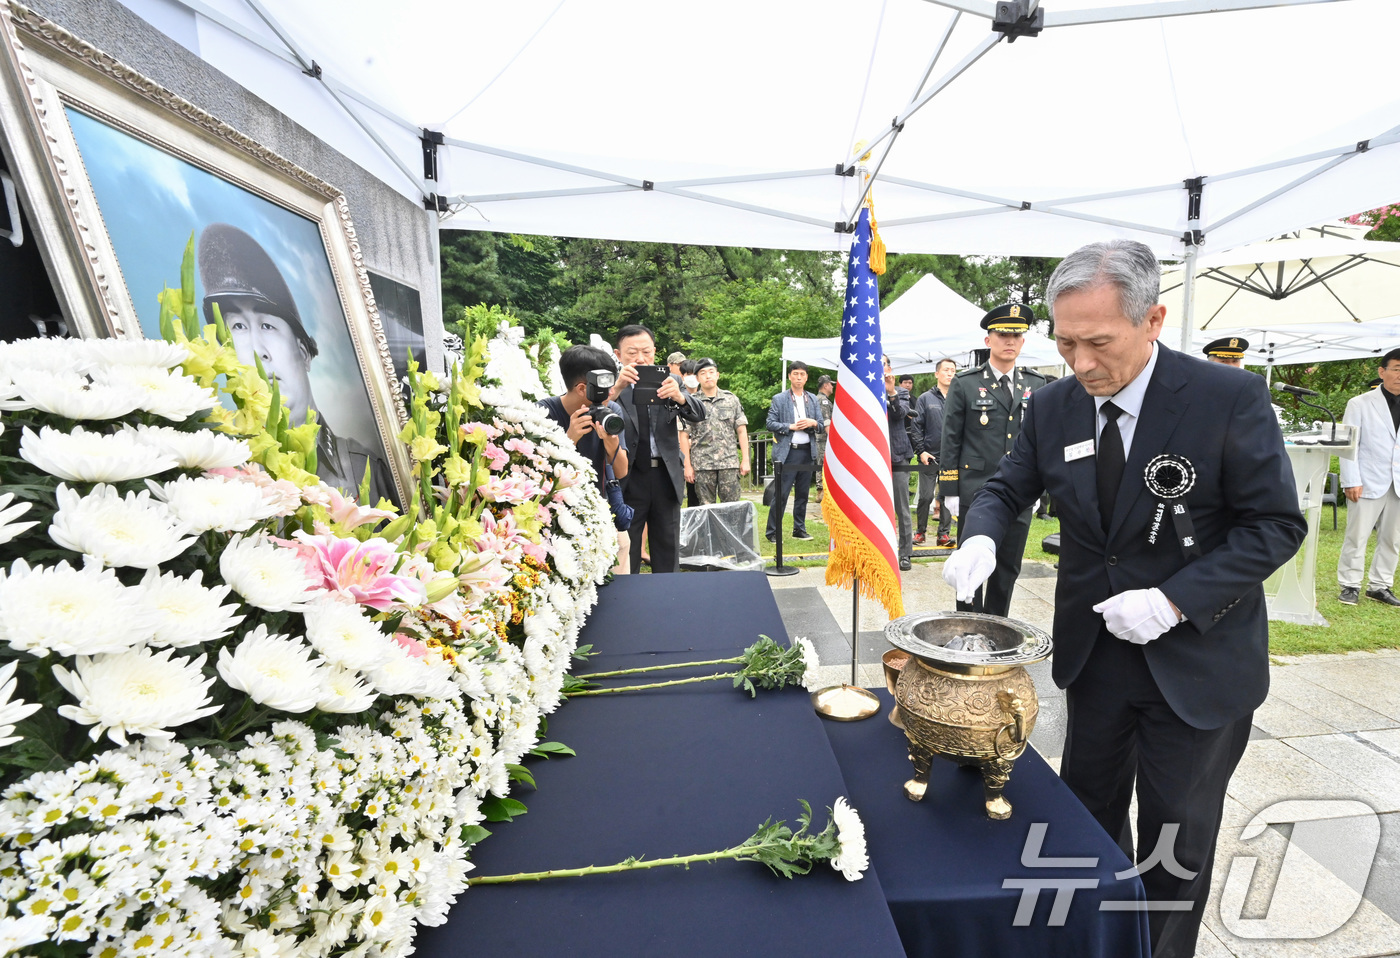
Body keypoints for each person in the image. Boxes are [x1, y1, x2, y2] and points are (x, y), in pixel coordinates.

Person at [944, 240, 1306, 958]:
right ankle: (1093, 945)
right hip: (1100, 656)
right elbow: (1007, 488)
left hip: (1198, 663)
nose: (1080, 363)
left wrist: (1172, 601)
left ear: (1153, 320)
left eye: (1098, 343)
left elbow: (1275, 525)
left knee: (1174, 839)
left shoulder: (1226, 398)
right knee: (1086, 822)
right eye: (1066, 340)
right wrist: (980, 536)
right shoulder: (1053, 406)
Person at [199, 223, 396, 505]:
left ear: (303, 352)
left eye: (267, 325)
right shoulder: (220, 478)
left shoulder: (365, 467)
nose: (258, 351)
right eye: (239, 327)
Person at [938, 304, 1049, 615]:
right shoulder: (966, 382)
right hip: (975, 489)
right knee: (969, 568)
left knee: (1007, 568)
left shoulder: (1035, 384)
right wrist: (949, 490)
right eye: (1002, 334)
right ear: (988, 341)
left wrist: (1039, 490)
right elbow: (951, 438)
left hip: (1020, 492)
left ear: (1023, 342)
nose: (1009, 341)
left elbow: (1040, 441)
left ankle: (997, 629)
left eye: (1016, 335)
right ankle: (966, 626)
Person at [608, 326, 705, 573]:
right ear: (618, 355)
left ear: (654, 352)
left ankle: (668, 601)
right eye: (632, 353)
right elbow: (597, 410)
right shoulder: (612, 384)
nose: (640, 359)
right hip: (629, 476)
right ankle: (629, 603)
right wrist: (618, 388)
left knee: (667, 547)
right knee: (626, 549)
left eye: (646, 352)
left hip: (665, 475)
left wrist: (681, 398)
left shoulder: (671, 381)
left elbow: (699, 414)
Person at [539, 345, 631, 573]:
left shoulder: (612, 412)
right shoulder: (542, 413)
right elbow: (538, 475)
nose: (611, 394)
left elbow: (622, 471)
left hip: (600, 510)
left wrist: (612, 445)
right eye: (606, 389)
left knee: (622, 548)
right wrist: (569, 439)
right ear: (582, 388)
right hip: (557, 519)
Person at [1338, 349, 1400, 606]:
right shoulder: (1359, 403)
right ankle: (1350, 584)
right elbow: (1348, 445)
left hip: (1398, 483)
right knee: (1357, 535)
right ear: (1382, 372)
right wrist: (1350, 480)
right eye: (1397, 369)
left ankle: (1380, 585)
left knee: (1393, 538)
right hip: (1366, 480)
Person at [765, 361, 825, 542]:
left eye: (802, 374)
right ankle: (772, 531)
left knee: (803, 494)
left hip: (808, 451)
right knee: (781, 494)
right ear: (790, 376)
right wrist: (790, 426)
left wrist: (812, 423)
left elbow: (822, 425)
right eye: (795, 374)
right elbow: (770, 423)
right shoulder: (780, 398)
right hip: (788, 452)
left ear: (806, 378)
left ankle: (799, 528)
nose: (799, 377)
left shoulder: (813, 399)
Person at [685, 358, 749, 504]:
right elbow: (683, 434)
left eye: (711, 372)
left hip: (729, 464)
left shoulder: (731, 399)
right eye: (703, 373)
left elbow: (741, 430)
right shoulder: (691, 402)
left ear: (717, 375)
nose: (708, 376)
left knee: (732, 509)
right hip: (702, 465)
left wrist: (745, 459)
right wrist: (687, 466)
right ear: (697, 378)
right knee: (706, 511)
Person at [914, 358, 956, 547]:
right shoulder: (925, 398)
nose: (949, 373)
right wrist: (921, 451)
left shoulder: (959, 397)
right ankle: (920, 532)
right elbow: (915, 427)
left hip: (952, 457)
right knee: (925, 496)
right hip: (929, 456)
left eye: (953, 370)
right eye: (946, 370)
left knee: (948, 496)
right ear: (937, 374)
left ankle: (944, 535)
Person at [885, 357, 915, 570]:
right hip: (871, 458)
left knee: (902, 507)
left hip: (897, 455)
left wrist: (891, 392)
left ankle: (905, 553)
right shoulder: (861, 389)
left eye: (883, 363)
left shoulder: (901, 391)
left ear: (889, 368)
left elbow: (900, 414)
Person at [814, 375, 835, 497]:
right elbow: (826, 421)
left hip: (820, 438)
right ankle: (821, 492)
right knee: (823, 463)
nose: (832, 387)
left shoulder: (818, 399)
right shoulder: (824, 401)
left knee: (821, 463)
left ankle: (822, 490)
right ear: (826, 385)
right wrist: (833, 439)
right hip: (823, 438)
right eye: (831, 384)